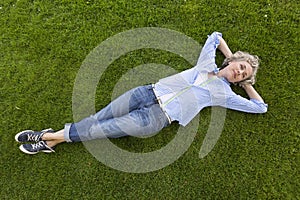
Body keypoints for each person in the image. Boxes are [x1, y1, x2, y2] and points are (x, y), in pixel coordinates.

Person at [15, 32, 268, 154]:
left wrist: (245, 85)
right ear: (234, 61)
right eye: (241, 67)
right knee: (96, 120)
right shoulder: (206, 63)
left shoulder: (225, 94)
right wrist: (230, 57)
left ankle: (45, 136)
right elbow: (215, 37)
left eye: (244, 75)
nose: (240, 72)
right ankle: (49, 141)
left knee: (99, 129)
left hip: (155, 119)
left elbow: (260, 107)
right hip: (145, 93)